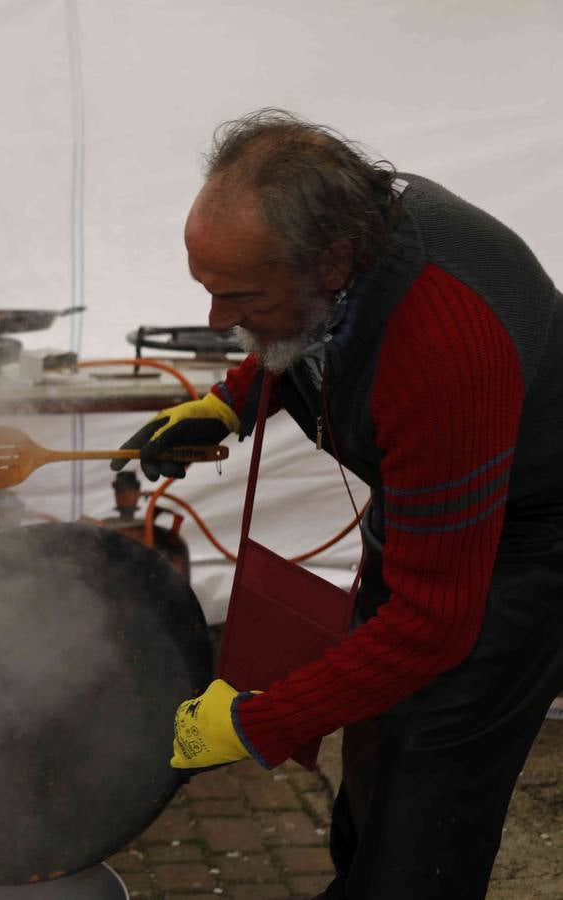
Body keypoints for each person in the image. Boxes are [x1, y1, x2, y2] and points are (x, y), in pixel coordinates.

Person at [118, 109, 563, 899]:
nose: (220, 320)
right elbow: (314, 340)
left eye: (240, 295)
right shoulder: (352, 245)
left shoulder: (445, 347)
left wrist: (257, 723)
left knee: (436, 761)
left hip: (532, 533)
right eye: (209, 292)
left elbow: (433, 626)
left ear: (333, 260)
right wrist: (231, 401)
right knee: (375, 734)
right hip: (433, 490)